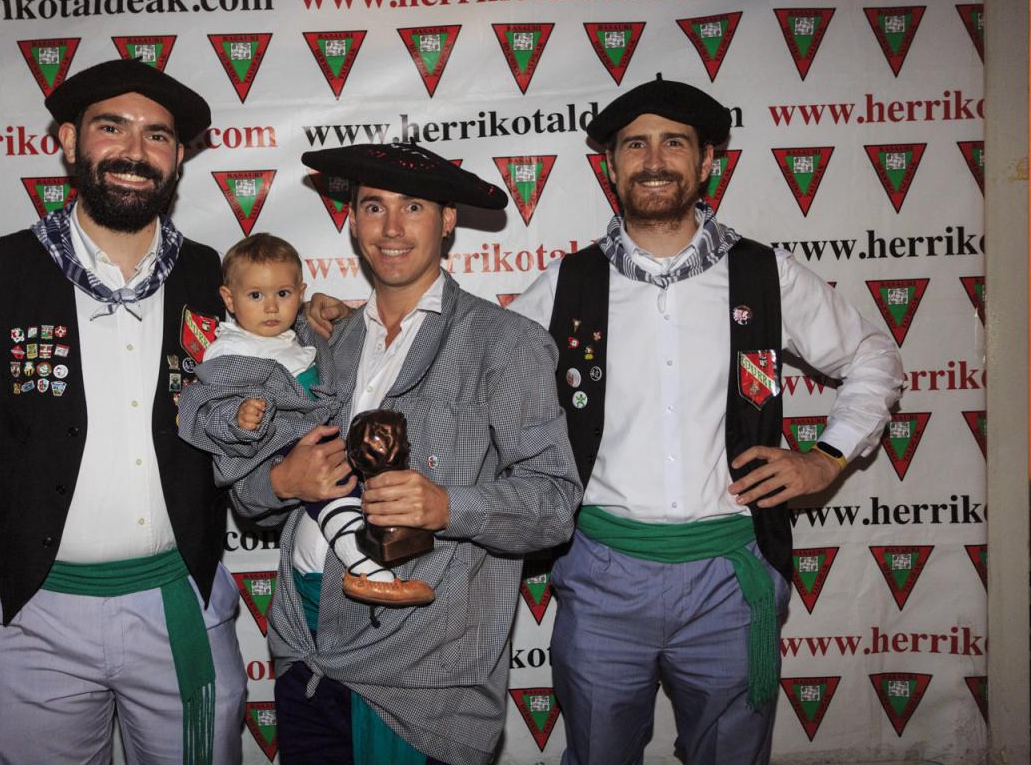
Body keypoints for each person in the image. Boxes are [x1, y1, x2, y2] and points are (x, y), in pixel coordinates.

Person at [509, 75, 906, 764]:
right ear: (611, 167)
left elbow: (874, 356)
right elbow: (477, 372)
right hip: (600, 576)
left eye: (674, 143)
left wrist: (827, 457)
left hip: (732, 577)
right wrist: (352, 322)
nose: (653, 160)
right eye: (634, 145)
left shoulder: (765, 274)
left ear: (706, 162)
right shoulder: (567, 282)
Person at [0, 59, 247, 765]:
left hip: (179, 605)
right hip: (27, 618)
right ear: (68, 141)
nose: (134, 152)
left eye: (157, 136)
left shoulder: (218, 279)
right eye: (111, 128)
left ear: (178, 157)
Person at [182, 142, 582, 765]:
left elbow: (554, 503)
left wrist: (448, 506)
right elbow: (250, 497)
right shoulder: (320, 341)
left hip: (421, 675)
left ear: (448, 220)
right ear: (352, 220)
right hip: (304, 649)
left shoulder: (505, 341)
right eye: (374, 207)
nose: (391, 228)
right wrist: (284, 482)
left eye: (413, 206)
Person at [205, 232, 434, 607]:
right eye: (255, 295)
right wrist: (238, 417)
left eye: (283, 293)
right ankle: (365, 569)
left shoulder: (297, 336)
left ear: (300, 293)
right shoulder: (230, 349)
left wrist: (340, 321)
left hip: (322, 440)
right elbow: (210, 407)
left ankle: (381, 556)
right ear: (229, 299)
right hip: (279, 448)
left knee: (356, 496)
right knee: (336, 498)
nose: (271, 307)